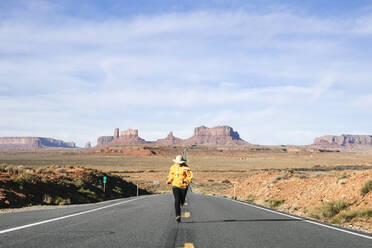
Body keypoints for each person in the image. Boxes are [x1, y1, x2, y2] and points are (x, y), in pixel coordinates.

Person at [167, 155, 193, 223]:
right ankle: (177, 215)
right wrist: (169, 180)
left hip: (183, 186)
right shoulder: (173, 167)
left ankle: (182, 202)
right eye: (178, 162)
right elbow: (171, 175)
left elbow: (190, 176)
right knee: (177, 200)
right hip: (175, 185)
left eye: (180, 162)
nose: (179, 163)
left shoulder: (186, 168)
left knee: (182, 200)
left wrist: (185, 180)